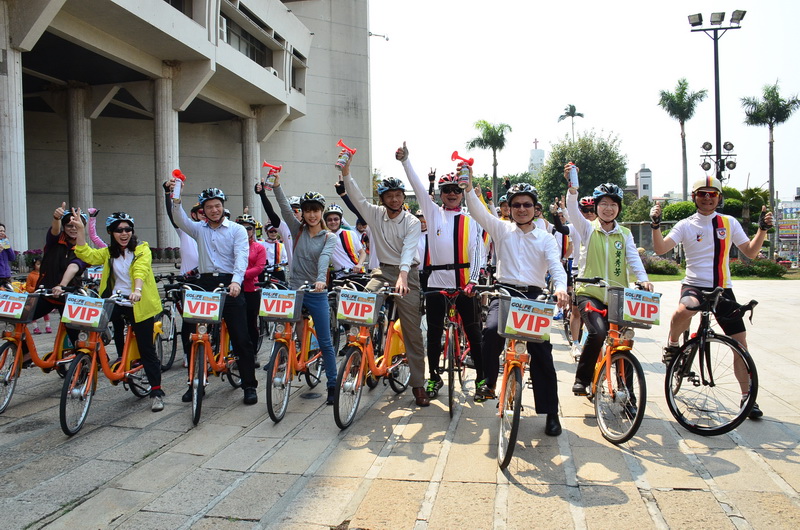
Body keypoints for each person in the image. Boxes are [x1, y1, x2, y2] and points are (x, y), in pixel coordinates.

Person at [651, 176, 773, 419]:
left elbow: (749, 251)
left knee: (740, 346)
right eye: (702, 194)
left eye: (713, 194)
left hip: (723, 289)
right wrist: (655, 226)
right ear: (694, 197)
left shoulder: (729, 222)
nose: (707, 198)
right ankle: (673, 346)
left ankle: (747, 396)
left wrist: (762, 230)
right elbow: (661, 249)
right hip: (695, 285)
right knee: (684, 310)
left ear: (719, 198)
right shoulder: (686, 224)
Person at [464, 175, 569, 436]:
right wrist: (468, 188)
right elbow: (478, 212)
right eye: (517, 205)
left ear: (535, 209)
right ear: (509, 208)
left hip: (534, 298)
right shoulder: (501, 229)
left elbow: (556, 266)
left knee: (542, 353)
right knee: (490, 330)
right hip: (505, 293)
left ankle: (551, 412)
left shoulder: (546, 238)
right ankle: (488, 382)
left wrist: (560, 288)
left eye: (527, 205)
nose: (522, 209)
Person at [340, 146, 429, 407]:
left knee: (413, 331)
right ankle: (361, 352)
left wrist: (403, 277)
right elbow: (355, 196)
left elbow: (408, 252)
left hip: (407, 273)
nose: (394, 200)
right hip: (382, 271)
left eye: (398, 195)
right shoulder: (374, 214)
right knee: (362, 304)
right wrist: (346, 171)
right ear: (382, 199)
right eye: (389, 196)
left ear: (404, 198)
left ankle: (419, 384)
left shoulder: (411, 221)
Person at [397, 144, 485, 399]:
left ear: (462, 192)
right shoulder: (433, 214)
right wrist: (406, 162)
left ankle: (481, 380)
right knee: (434, 333)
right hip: (436, 283)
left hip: (465, 284)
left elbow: (478, 252)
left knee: (473, 331)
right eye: (446, 191)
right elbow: (418, 187)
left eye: (455, 190)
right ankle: (434, 377)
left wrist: (474, 281)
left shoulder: (470, 219)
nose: (450, 194)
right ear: (442, 194)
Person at [167, 182, 259, 405]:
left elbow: (241, 257)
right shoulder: (199, 229)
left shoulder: (237, 230)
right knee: (190, 334)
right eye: (209, 207)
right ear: (203, 210)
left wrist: (236, 282)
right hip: (204, 283)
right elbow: (178, 218)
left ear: (223, 206)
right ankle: (194, 382)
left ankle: (249, 385)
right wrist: (175, 197)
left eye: (217, 206)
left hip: (230, 284)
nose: (214, 210)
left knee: (241, 337)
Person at [564, 171, 653, 396]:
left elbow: (633, 258)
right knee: (598, 332)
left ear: (619, 208)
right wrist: (572, 188)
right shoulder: (586, 228)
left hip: (617, 295)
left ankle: (628, 393)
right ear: (596, 207)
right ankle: (582, 380)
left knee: (623, 341)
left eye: (613, 204)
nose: (608, 208)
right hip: (589, 293)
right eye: (603, 203)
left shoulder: (624, 234)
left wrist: (643, 279)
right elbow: (572, 209)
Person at [72, 211, 166, 412]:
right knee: (95, 327)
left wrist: (137, 290)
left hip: (138, 303)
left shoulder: (142, 249)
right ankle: (114, 358)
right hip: (116, 301)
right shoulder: (108, 253)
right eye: (118, 230)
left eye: (127, 229)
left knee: (146, 349)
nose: (124, 233)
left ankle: (156, 392)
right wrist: (80, 230)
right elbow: (86, 254)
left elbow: (140, 270)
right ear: (111, 233)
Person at [269, 176, 339, 405]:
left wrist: (320, 280)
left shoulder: (329, 236)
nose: (311, 215)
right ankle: (290, 358)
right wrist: (277, 186)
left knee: (326, 342)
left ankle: (331, 384)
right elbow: (283, 207)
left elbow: (324, 260)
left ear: (322, 212)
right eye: (307, 210)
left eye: (315, 211)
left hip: (316, 291)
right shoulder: (296, 229)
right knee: (284, 332)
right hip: (294, 289)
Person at [27, 204, 89, 348]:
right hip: (46, 294)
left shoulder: (84, 250)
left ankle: (91, 360)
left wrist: (62, 285)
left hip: (69, 296)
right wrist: (56, 218)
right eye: (69, 225)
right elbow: (54, 231)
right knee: (21, 319)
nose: (73, 228)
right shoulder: (55, 241)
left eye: (77, 225)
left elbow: (73, 267)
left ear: (82, 227)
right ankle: (26, 354)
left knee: (77, 337)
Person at [236, 214, 267, 368]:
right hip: (234, 287)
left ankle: (252, 354)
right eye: (242, 227)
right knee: (235, 324)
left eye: (249, 228)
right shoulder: (232, 244)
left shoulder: (259, 247)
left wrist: (241, 275)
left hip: (250, 288)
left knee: (250, 324)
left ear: (254, 230)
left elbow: (259, 268)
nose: (246, 230)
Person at [323, 203, 367, 274]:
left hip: (356, 273)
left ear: (340, 220)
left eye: (336, 219)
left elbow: (362, 253)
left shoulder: (350, 233)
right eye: (329, 220)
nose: (333, 222)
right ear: (326, 222)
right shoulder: (324, 237)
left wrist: (359, 264)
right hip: (338, 275)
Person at [25, 258, 52, 334]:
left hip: (42, 295)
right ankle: (35, 327)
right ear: (34, 265)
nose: (40, 266)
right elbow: (28, 287)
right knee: (33, 312)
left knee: (45, 312)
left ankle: (48, 326)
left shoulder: (45, 274)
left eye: (41, 264)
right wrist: (36, 288)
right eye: (38, 264)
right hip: (34, 296)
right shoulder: (31, 275)